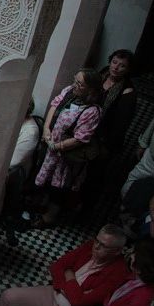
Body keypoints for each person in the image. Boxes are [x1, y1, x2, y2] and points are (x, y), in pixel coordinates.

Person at [0, 225, 130, 306]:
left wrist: (70, 275)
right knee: (8, 296)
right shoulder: (89, 247)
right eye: (97, 241)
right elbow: (58, 265)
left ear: (117, 251)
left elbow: (80, 303)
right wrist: (71, 288)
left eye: (103, 245)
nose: (96, 246)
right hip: (54, 294)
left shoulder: (118, 274)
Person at [33, 68, 105, 227]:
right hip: (50, 146)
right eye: (75, 81)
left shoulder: (92, 111)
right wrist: (46, 129)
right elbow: (54, 105)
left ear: (90, 89)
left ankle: (49, 217)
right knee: (43, 176)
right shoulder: (69, 91)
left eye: (79, 84)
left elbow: (81, 138)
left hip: (65, 156)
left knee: (58, 187)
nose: (75, 85)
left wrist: (57, 146)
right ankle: (38, 206)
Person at [91, 239, 154, 306]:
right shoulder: (135, 277)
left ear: (140, 268)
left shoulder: (140, 301)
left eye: (134, 253)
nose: (131, 254)